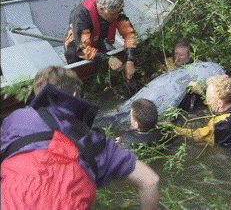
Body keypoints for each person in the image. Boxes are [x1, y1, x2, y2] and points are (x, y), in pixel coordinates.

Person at [1, 66, 159, 210]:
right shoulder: (97, 143)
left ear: (39, 94)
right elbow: (150, 180)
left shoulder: (15, 120)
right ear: (76, 95)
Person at [64, 0, 137, 80]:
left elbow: (129, 34)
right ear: (101, 9)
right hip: (76, 47)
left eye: (117, 14)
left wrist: (130, 60)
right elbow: (83, 49)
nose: (116, 17)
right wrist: (108, 59)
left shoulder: (115, 9)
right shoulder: (81, 14)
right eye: (113, 14)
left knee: (103, 69)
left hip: (97, 40)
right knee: (82, 76)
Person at [174, 75, 231, 147]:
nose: (207, 102)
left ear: (220, 103)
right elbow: (214, 104)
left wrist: (173, 129)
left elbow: (197, 135)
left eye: (209, 100)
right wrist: (201, 92)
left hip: (221, 151)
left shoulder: (220, 124)